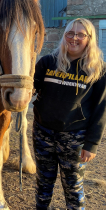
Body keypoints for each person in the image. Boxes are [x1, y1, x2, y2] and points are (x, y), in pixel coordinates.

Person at [32, 18, 106, 210]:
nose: (74, 38)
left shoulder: (99, 70)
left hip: (75, 138)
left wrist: (91, 144)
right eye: (70, 34)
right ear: (64, 36)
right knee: (43, 183)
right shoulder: (48, 62)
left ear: (89, 38)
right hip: (42, 134)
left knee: (73, 187)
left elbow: (101, 109)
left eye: (80, 34)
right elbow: (30, 89)